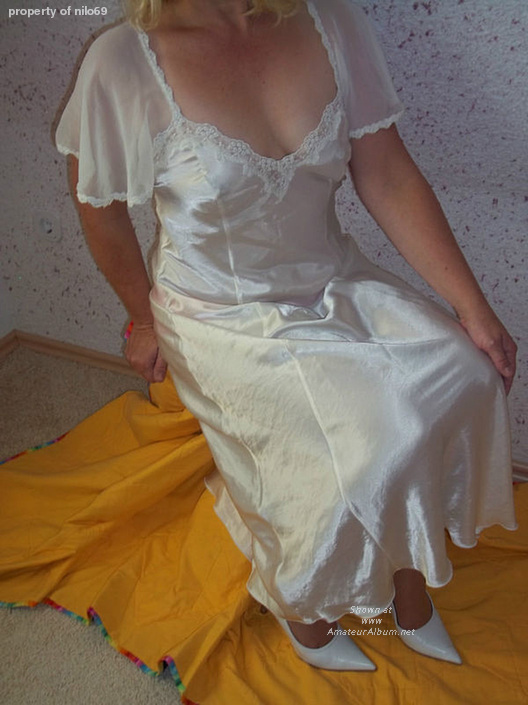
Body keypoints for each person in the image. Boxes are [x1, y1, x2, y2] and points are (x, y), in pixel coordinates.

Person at [56, 0, 518, 671]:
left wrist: (473, 307)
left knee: (463, 374)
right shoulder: (125, 59)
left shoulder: (332, 22)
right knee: (362, 447)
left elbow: (386, 173)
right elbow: (99, 210)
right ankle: (302, 603)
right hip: (218, 313)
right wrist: (144, 319)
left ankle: (404, 579)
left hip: (332, 281)